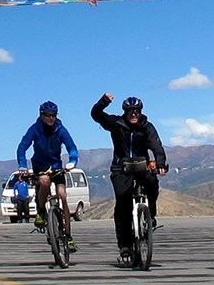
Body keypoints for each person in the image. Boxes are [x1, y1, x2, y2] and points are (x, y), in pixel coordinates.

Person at [91, 92, 167, 264]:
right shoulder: (116, 124)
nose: (134, 114)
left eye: (136, 111)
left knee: (152, 184)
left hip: (142, 166)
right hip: (121, 167)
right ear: (125, 112)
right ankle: (124, 245)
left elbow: (157, 145)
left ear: (140, 112)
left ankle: (150, 215)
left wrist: (160, 163)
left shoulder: (147, 127)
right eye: (130, 111)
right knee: (123, 201)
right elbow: (95, 115)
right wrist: (103, 102)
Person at [15, 100, 80, 251]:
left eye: (54, 115)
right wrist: (23, 165)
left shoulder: (60, 129)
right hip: (40, 166)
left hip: (56, 166)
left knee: (62, 196)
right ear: (41, 115)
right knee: (44, 182)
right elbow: (22, 146)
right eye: (48, 115)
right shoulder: (35, 129)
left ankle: (69, 236)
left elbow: (71, 146)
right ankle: (41, 211)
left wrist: (73, 160)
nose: (51, 118)